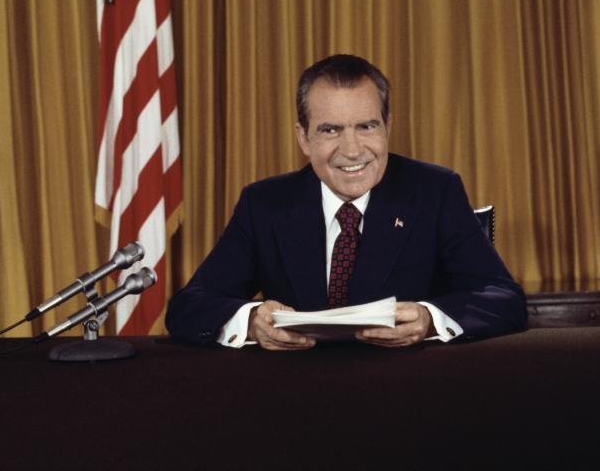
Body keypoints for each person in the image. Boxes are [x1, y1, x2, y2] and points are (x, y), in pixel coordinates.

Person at [166, 55, 526, 349]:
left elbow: (504, 299)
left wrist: (428, 318)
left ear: (387, 126)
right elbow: (188, 308)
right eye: (330, 130)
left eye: (367, 127)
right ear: (304, 138)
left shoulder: (435, 191)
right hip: (296, 403)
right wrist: (250, 321)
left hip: (409, 398)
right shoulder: (264, 204)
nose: (352, 150)